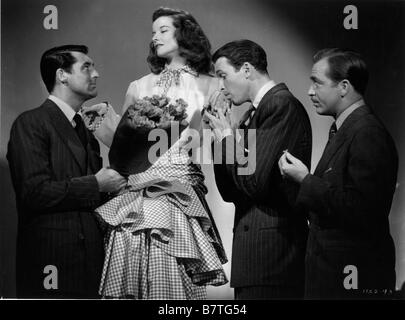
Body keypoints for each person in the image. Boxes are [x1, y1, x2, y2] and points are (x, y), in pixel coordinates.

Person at [82, 7, 227, 299]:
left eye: (163, 30)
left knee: (174, 274)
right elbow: (126, 147)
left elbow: (220, 140)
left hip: (180, 188)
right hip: (137, 190)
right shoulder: (140, 85)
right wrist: (104, 121)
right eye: (153, 32)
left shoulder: (213, 86)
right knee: (130, 265)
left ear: (184, 33)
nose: (155, 38)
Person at [6, 45, 127, 298]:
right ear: (62, 75)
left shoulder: (85, 131)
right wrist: (96, 184)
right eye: (87, 67)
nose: (96, 74)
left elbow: (93, 197)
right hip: (51, 265)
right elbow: (34, 192)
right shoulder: (31, 123)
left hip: (92, 266)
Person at [279, 48, 398, 299]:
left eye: (317, 83)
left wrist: (304, 179)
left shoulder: (366, 133)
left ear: (344, 87)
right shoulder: (347, 129)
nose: (310, 91)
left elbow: (362, 210)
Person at [204, 40, 312, 299]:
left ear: (247, 69)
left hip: (274, 257)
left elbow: (253, 182)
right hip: (255, 259)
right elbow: (232, 191)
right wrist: (220, 137)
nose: (220, 86)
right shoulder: (251, 115)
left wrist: (228, 139)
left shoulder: (280, 105)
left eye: (223, 76)